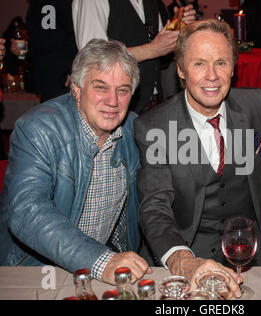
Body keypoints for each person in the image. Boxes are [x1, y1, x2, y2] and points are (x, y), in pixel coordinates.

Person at [134, 19, 261, 297]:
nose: (212, 76)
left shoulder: (255, 106)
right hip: (184, 260)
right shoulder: (155, 127)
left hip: (248, 259)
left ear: (234, 67)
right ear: (181, 70)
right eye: (199, 64)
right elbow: (154, 209)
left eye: (221, 62)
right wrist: (184, 261)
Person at [0, 39, 151, 284]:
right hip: (36, 271)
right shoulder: (38, 129)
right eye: (100, 87)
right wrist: (101, 260)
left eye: (122, 90)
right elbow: (27, 211)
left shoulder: (135, 129)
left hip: (99, 270)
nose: (112, 101)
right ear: (77, 89)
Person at [72, 0, 196, 114]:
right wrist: (152, 49)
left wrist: (178, 26)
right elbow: (92, 56)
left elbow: (161, 55)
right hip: (111, 105)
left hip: (153, 103)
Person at [25, 0, 78, 102]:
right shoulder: (36, 5)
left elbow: (73, 35)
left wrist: (72, 69)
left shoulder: (47, 4)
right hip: (49, 74)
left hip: (59, 74)